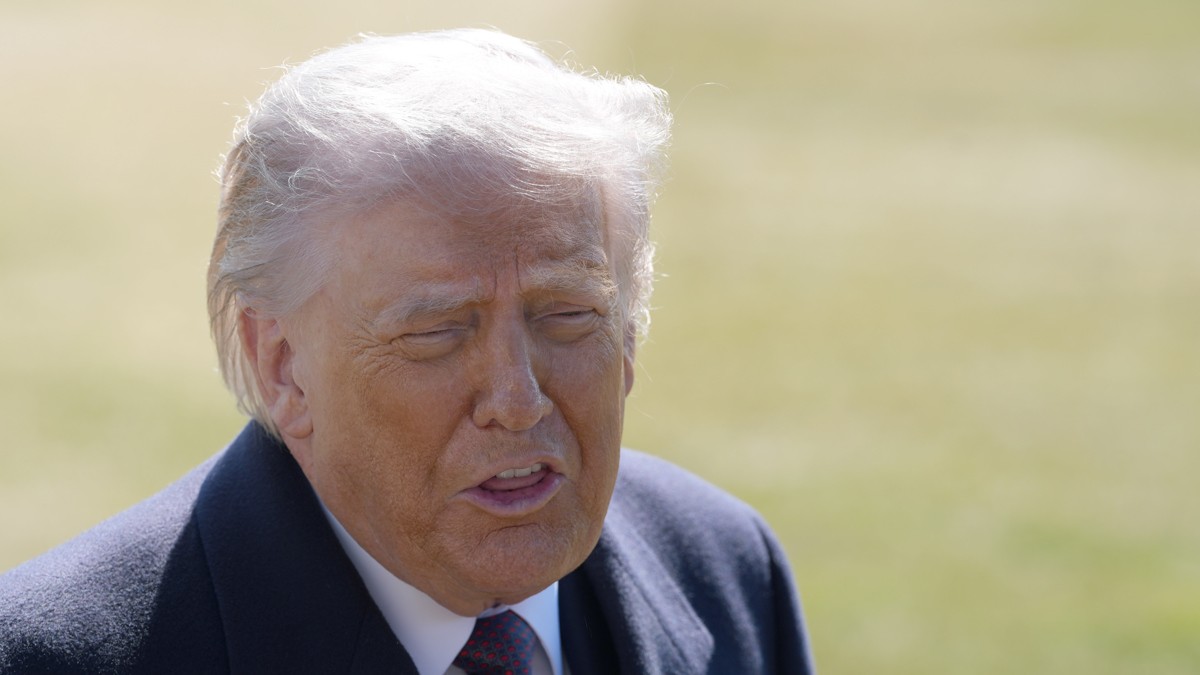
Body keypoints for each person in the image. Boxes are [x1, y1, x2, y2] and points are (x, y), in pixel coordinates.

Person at [0, 29, 814, 674]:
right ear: (281, 363)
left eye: (567, 314)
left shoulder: (727, 568)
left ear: (630, 329)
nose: (517, 396)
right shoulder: (51, 656)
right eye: (436, 331)